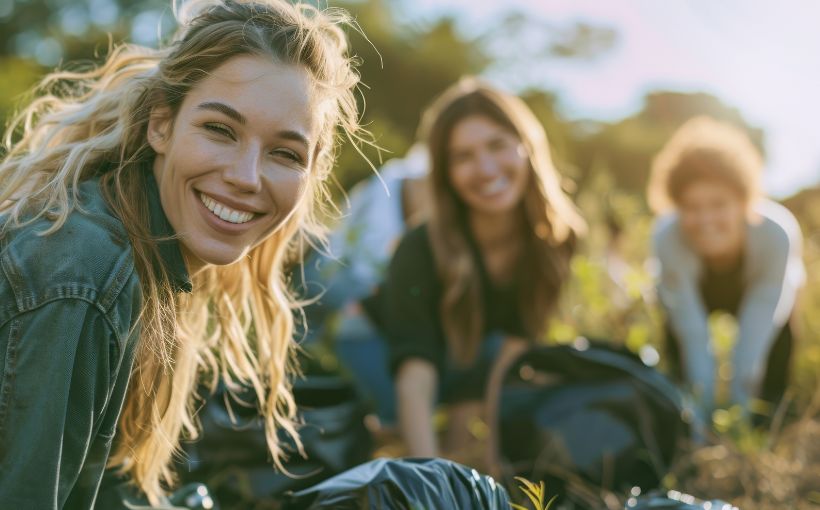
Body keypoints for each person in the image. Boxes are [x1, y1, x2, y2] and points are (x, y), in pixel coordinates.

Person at [0, 0, 364, 507]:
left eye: (285, 153)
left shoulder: (148, 250)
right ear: (161, 126)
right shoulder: (84, 271)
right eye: (220, 130)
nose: (245, 176)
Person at [380, 78, 586, 464]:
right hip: (383, 351)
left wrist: (495, 465)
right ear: (445, 173)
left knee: (496, 379)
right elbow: (415, 369)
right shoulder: (420, 245)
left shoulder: (558, 239)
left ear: (526, 146)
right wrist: (431, 477)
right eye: (463, 157)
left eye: (497, 145)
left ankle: (460, 422)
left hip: (470, 355)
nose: (486, 168)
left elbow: (512, 352)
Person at [648, 116, 805, 420]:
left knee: (776, 345)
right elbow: (692, 333)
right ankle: (682, 420)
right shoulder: (667, 236)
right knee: (680, 350)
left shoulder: (776, 234)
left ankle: (769, 422)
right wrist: (702, 420)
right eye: (692, 207)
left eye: (719, 204)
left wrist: (738, 415)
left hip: (761, 295)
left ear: (744, 201)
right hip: (695, 295)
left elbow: (753, 339)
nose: (706, 220)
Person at [295, 144, 429, 426]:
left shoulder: (391, 181)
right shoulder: (390, 194)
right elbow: (367, 269)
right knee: (348, 324)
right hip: (334, 274)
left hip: (333, 272)